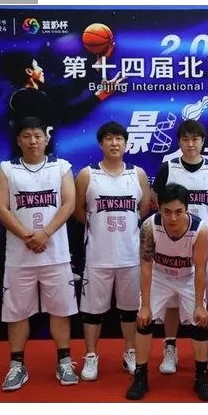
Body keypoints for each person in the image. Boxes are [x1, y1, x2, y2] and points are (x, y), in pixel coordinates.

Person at [0, 50, 125, 339]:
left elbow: (65, 95)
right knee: (17, 239)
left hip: (42, 171)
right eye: (37, 66)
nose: (42, 69)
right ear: (28, 72)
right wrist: (97, 86)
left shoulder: (33, 96)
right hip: (26, 176)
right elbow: (66, 108)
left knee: (54, 222)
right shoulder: (23, 98)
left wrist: (96, 75)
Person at [0, 117, 79, 391]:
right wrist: (27, 236)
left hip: (56, 254)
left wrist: (45, 234)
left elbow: (69, 204)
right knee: (17, 313)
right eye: (27, 136)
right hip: (19, 256)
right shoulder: (7, 169)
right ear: (18, 140)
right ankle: (17, 365)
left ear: (46, 139)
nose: (33, 141)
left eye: (38, 136)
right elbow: (0, 208)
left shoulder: (61, 167)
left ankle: (64, 361)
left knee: (61, 310)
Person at [73, 121, 151, 380]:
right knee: (92, 312)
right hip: (98, 255)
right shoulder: (87, 174)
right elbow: (78, 211)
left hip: (130, 255)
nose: (114, 143)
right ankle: (91, 356)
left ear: (126, 144)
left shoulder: (138, 174)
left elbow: (143, 211)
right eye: (109, 138)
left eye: (119, 138)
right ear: (101, 143)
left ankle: (130, 352)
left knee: (130, 310)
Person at [125, 184, 208, 401]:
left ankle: (202, 377)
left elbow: (200, 270)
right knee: (144, 321)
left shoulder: (200, 229)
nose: (172, 218)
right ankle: (140, 376)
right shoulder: (149, 226)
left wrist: (199, 305)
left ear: (187, 209)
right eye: (167, 212)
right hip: (160, 277)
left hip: (187, 278)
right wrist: (145, 306)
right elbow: (146, 268)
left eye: (178, 211)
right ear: (159, 208)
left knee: (199, 323)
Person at [151, 119, 208, 374]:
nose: (191, 144)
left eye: (195, 139)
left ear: (203, 141)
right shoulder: (168, 168)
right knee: (172, 299)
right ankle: (170, 347)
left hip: (206, 239)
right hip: (172, 241)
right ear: (179, 142)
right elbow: (156, 199)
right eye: (185, 139)